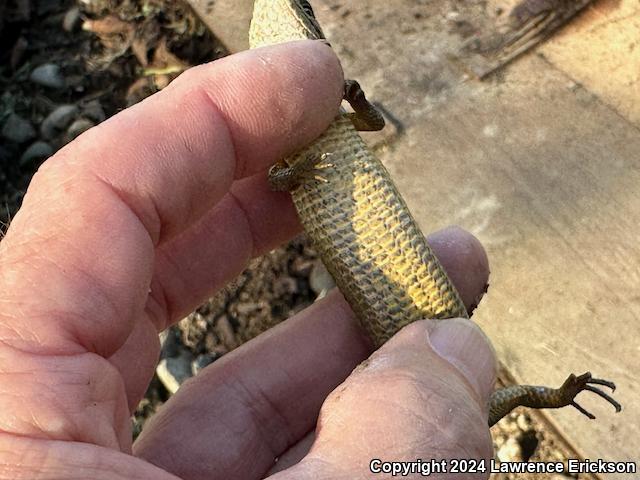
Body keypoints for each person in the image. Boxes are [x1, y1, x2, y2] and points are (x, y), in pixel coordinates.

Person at [0, 40, 495, 479]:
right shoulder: (286, 157)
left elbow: (372, 124)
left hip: (375, 241)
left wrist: (357, 102)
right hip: (370, 244)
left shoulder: (329, 120)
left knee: (441, 302)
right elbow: (279, 182)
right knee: (435, 319)